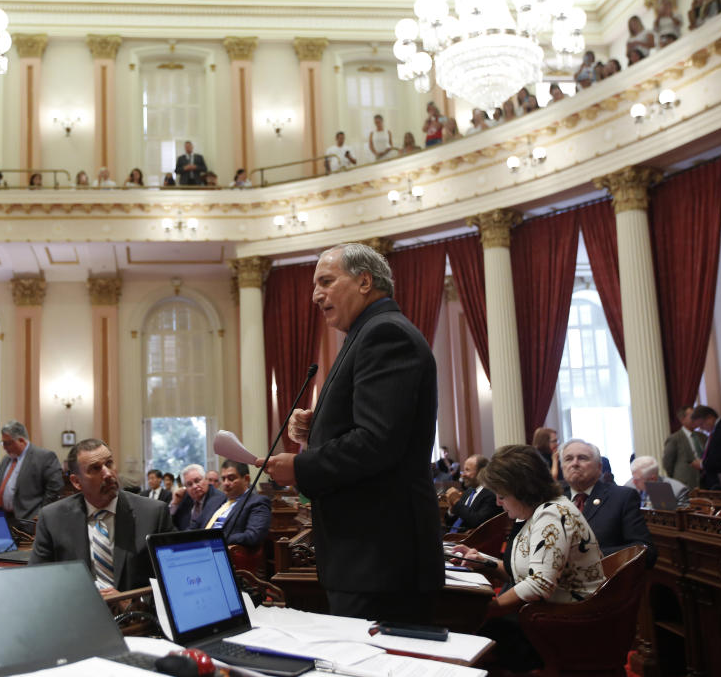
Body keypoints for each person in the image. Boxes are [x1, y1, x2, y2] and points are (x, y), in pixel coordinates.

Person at [260, 243, 442, 622]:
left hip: (380, 559)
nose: (315, 295)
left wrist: (301, 466)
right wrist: (319, 424)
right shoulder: (367, 332)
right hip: (368, 556)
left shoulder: (385, 334)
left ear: (364, 281)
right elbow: (377, 424)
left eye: (326, 281)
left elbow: (378, 442)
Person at [452, 445, 605, 672]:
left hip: (569, 624)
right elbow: (523, 574)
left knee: (475, 638)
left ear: (523, 490)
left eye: (502, 495)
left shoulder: (551, 514)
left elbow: (539, 584)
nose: (498, 502)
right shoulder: (537, 513)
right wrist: (480, 559)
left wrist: (489, 608)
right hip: (548, 614)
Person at [30, 439, 173, 593]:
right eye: (95, 468)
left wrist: (132, 602)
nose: (107, 473)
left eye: (109, 463)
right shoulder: (53, 518)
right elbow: (38, 580)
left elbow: (173, 579)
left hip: (135, 614)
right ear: (77, 481)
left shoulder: (153, 513)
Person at [560, 439, 656, 566]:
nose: (575, 463)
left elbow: (646, 551)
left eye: (582, 458)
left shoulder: (622, 497)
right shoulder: (553, 499)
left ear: (599, 467)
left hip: (605, 579)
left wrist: (589, 556)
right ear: (562, 467)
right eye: (568, 459)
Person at [0, 421, 64, 520]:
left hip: (29, 520)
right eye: (3, 443)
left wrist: (41, 514)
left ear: (21, 441)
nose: (5, 447)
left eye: (8, 443)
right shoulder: (7, 459)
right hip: (4, 518)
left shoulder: (44, 457)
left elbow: (55, 489)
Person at [205, 460, 271, 547]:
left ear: (246, 479)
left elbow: (252, 536)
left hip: (225, 550)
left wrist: (217, 539)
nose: (226, 483)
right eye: (223, 479)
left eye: (231, 478)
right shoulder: (215, 500)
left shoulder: (258, 502)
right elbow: (195, 526)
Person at [444, 454, 501, 533]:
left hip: (468, 541)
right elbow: (449, 523)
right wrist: (451, 510)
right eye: (463, 470)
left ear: (482, 472)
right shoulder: (468, 491)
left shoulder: (491, 494)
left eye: (467, 470)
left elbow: (477, 522)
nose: (463, 474)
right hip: (451, 538)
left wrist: (456, 501)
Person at [170, 463, 225, 530]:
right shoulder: (184, 498)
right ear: (185, 487)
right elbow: (171, 525)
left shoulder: (218, 499)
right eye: (189, 484)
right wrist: (175, 503)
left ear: (206, 480)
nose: (194, 486)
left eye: (197, 481)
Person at [662, 406, 705, 488]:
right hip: (685, 484)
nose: (696, 419)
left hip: (705, 483)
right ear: (682, 419)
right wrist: (677, 477)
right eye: (692, 416)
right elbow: (667, 463)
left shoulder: (703, 437)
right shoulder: (674, 438)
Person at [693, 405, 721, 489]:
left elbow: (720, 460)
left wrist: (702, 464)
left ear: (710, 417)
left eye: (701, 424)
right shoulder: (714, 432)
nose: (702, 428)